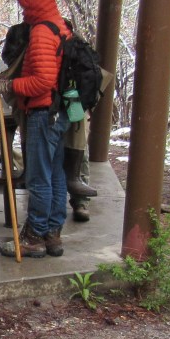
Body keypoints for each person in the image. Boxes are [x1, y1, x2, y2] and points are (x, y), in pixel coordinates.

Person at [0, 0, 70, 258]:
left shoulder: (41, 33)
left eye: (25, 5)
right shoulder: (61, 28)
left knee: (39, 178)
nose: (23, 12)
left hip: (42, 112)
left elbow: (42, 81)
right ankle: (52, 233)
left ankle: (33, 236)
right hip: (60, 112)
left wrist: (8, 85)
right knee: (56, 174)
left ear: (35, 3)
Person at [65, 65, 115, 222]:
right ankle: (77, 201)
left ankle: (81, 201)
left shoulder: (74, 51)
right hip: (63, 93)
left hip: (71, 93)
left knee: (78, 145)